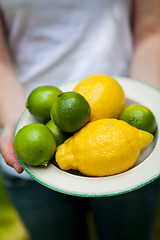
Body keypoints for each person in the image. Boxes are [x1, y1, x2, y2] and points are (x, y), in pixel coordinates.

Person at [0, 0, 160, 239]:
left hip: (128, 147)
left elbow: (151, 32)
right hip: (35, 138)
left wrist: (153, 100)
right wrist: (14, 117)